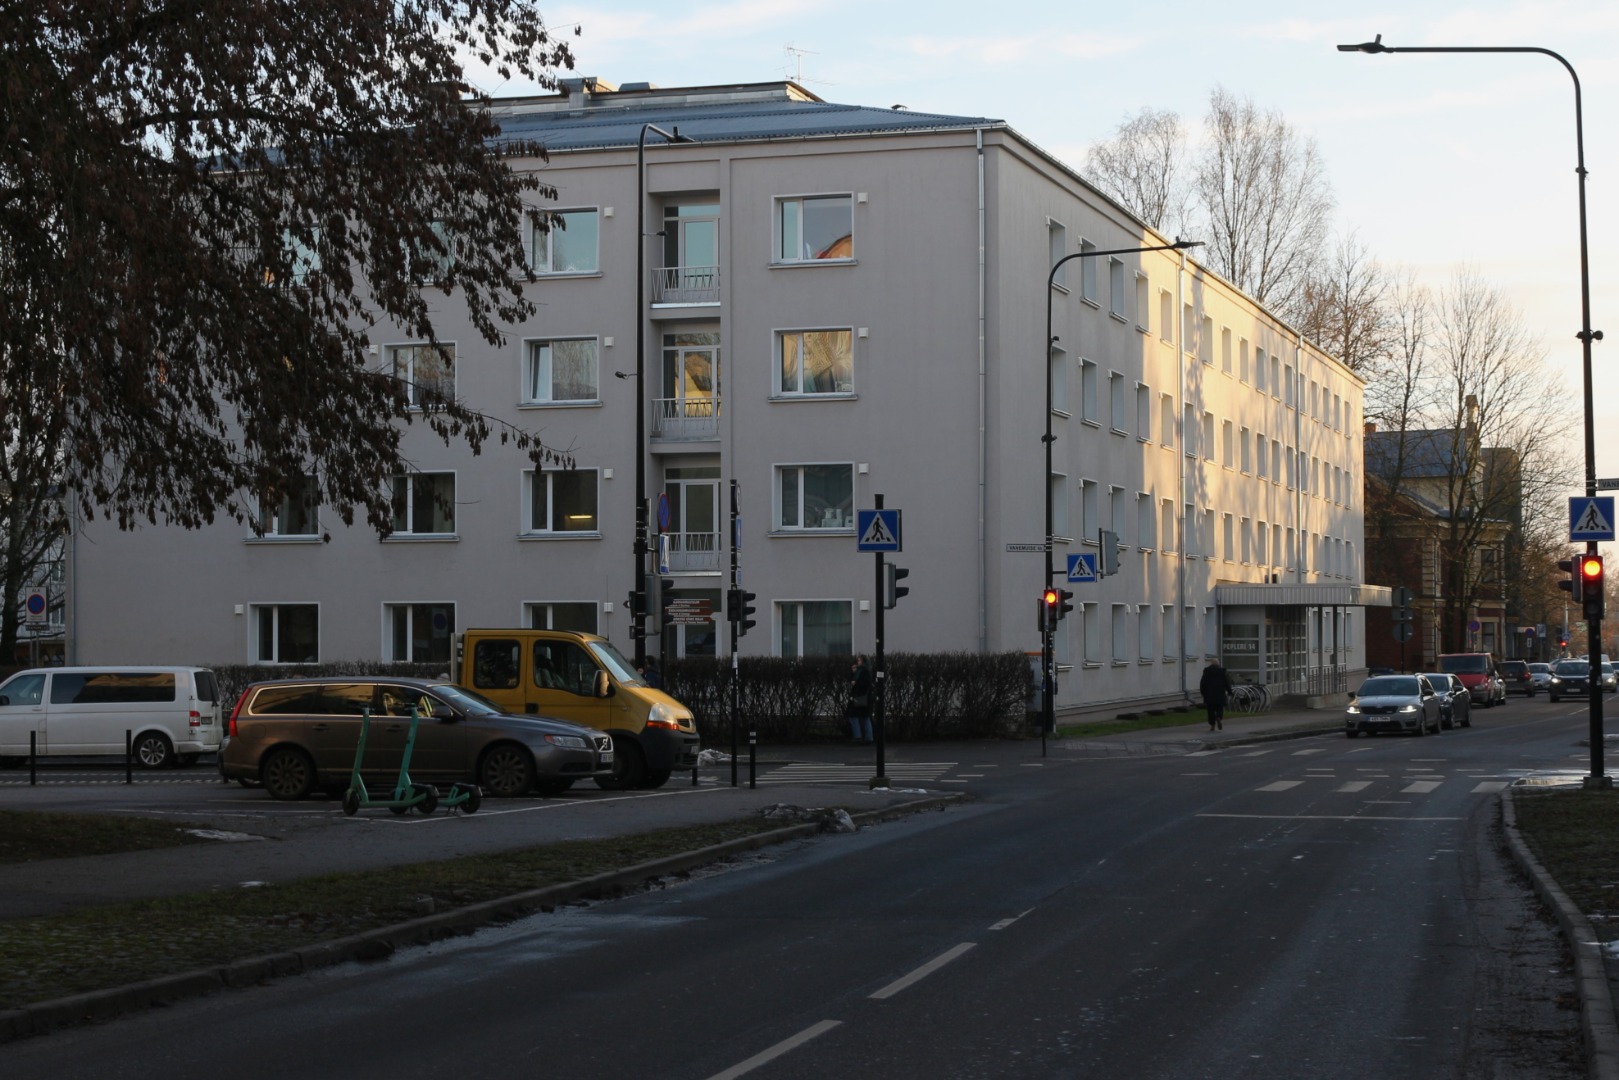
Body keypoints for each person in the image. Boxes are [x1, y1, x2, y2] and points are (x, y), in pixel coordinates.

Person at [1200, 658, 1233, 732]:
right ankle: (1218, 717)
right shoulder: (1221, 672)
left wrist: (1203, 692)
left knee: (1210, 710)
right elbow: (1226, 683)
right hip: (1220, 693)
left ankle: (1212, 725)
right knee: (1220, 707)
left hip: (1209, 694)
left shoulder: (1207, 672)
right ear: (1218, 664)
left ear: (1211, 664)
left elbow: (1203, 683)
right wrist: (1230, 692)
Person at [847, 655, 873, 744]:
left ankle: (859, 736)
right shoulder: (862, 670)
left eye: (859, 660)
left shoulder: (863, 671)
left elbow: (863, 684)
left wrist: (855, 682)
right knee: (864, 717)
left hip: (860, 697)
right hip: (863, 698)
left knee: (854, 716)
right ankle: (868, 737)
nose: (857, 662)